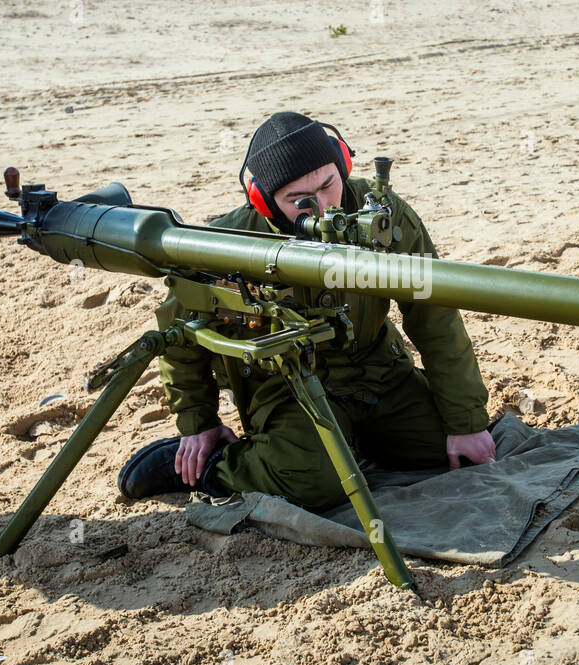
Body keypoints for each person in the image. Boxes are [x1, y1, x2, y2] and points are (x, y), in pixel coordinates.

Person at [118, 111, 497, 510]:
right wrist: (199, 424)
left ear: (344, 165)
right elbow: (179, 330)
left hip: (378, 371)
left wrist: (465, 424)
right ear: (264, 202)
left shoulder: (386, 218)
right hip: (288, 386)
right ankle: (216, 468)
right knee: (319, 485)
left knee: (448, 447)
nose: (322, 208)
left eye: (329, 185)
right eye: (299, 201)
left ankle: (353, 439)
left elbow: (435, 318)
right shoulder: (229, 241)